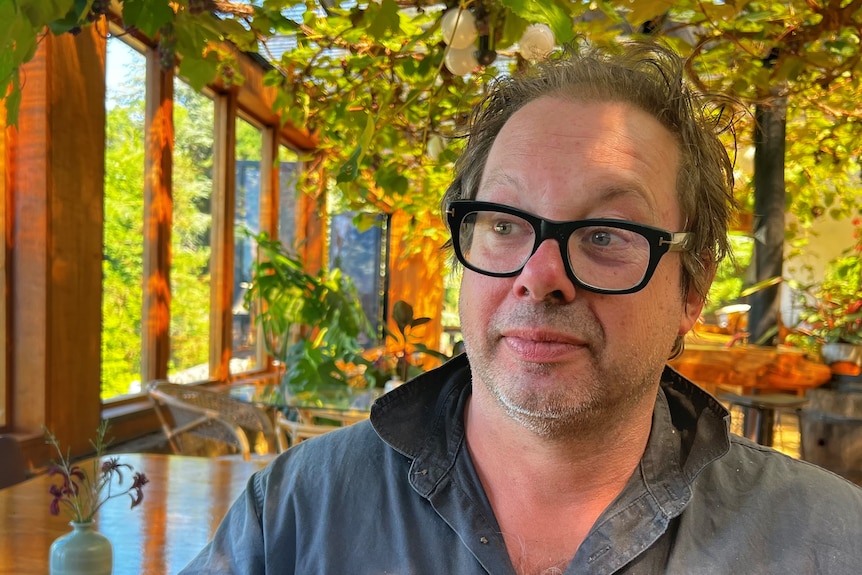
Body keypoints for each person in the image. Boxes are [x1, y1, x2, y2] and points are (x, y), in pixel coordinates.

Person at [180, 41, 862, 574]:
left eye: (604, 234)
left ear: (692, 289)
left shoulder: (826, 539)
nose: (540, 277)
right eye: (504, 224)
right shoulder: (298, 514)